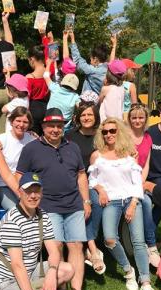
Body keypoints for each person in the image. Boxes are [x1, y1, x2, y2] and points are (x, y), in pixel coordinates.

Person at [16, 108, 95, 290]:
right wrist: (29, 203)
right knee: (57, 247)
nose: (55, 129)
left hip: (74, 204)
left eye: (59, 126)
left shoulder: (73, 147)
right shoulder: (31, 149)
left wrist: (86, 200)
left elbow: (81, 176)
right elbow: (19, 176)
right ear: (43, 127)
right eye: (51, 125)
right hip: (47, 206)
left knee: (77, 245)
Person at [87, 118, 160, 290]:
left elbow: (137, 182)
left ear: (119, 132)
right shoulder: (97, 156)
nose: (109, 134)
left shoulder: (128, 154)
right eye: (105, 132)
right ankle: (128, 271)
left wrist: (134, 203)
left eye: (112, 130)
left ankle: (145, 283)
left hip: (130, 200)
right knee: (110, 239)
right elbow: (91, 180)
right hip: (111, 202)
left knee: (138, 240)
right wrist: (100, 190)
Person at [0, 172, 75, 290]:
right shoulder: (12, 221)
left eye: (37, 191)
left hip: (29, 271)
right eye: (28, 191)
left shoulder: (43, 216)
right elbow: (17, 265)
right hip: (5, 280)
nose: (33, 195)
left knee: (68, 270)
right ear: (19, 192)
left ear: (42, 193)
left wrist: (51, 274)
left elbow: (54, 251)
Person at [64, 96, 105, 275]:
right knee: (86, 203)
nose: (87, 118)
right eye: (83, 115)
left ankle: (90, 245)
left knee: (94, 202)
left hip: (97, 180)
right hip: (73, 180)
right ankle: (92, 247)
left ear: (96, 116)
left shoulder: (102, 135)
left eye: (90, 114)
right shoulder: (70, 135)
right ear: (78, 117)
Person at [128, 104, 160, 267]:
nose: (137, 120)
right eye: (134, 117)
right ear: (129, 119)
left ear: (145, 119)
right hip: (125, 181)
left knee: (158, 198)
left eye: (141, 117)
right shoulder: (124, 136)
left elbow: (146, 164)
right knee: (146, 201)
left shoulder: (148, 138)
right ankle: (151, 243)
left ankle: (150, 245)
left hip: (139, 180)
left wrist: (141, 181)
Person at [0, 107, 37, 211]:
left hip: (25, 183)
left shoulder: (32, 140)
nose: (21, 125)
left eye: (25, 122)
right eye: (18, 120)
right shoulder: (0, 140)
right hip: (2, 185)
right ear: (12, 121)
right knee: (16, 209)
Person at [43, 58, 80, 133]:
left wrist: (49, 63)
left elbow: (45, 76)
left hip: (50, 120)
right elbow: (81, 107)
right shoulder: (75, 96)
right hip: (65, 126)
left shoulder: (55, 87)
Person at [68, 31, 108, 96]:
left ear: (95, 59)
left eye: (91, 58)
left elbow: (78, 60)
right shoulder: (108, 70)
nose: (90, 60)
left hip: (89, 103)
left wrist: (72, 39)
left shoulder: (93, 71)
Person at [25, 45, 50, 136]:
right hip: (46, 107)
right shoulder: (49, 73)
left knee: (32, 137)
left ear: (32, 59)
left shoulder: (29, 77)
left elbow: (25, 98)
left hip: (33, 109)